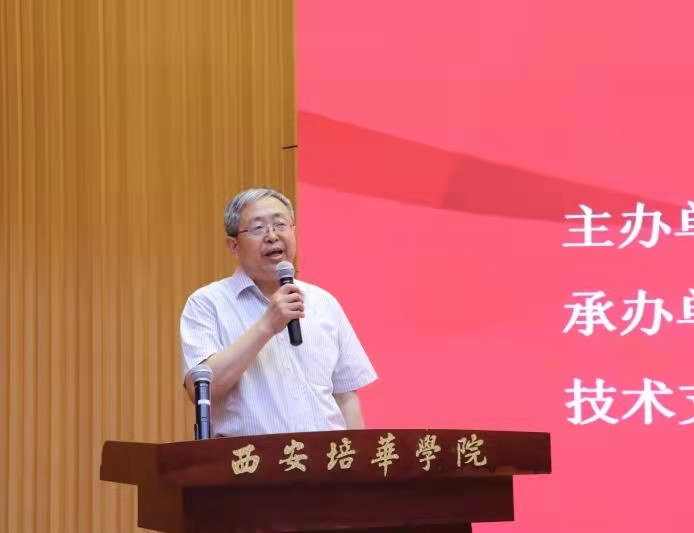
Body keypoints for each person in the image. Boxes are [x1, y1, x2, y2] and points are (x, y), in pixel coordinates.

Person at [179, 187, 378, 437]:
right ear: (233, 245)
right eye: (258, 228)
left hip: (325, 458)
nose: (272, 236)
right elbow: (200, 390)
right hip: (250, 459)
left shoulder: (323, 303)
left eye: (280, 224)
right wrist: (267, 326)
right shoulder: (207, 303)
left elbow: (345, 397)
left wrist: (357, 458)